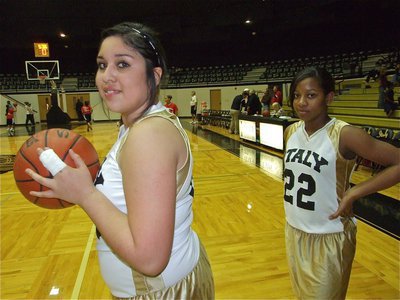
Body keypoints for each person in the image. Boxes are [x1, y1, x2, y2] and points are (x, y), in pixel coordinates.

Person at [26, 21, 214, 299]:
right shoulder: (140, 125)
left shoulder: (148, 135)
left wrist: (86, 195)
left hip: (160, 291)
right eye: (102, 65)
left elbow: (150, 260)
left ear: (155, 74)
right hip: (174, 279)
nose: (107, 76)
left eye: (123, 64)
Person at [283, 67, 400, 299]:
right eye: (296, 95)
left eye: (311, 95)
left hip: (330, 236)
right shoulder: (290, 131)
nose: (301, 102)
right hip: (295, 232)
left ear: (329, 97)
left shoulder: (344, 134)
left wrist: (355, 192)